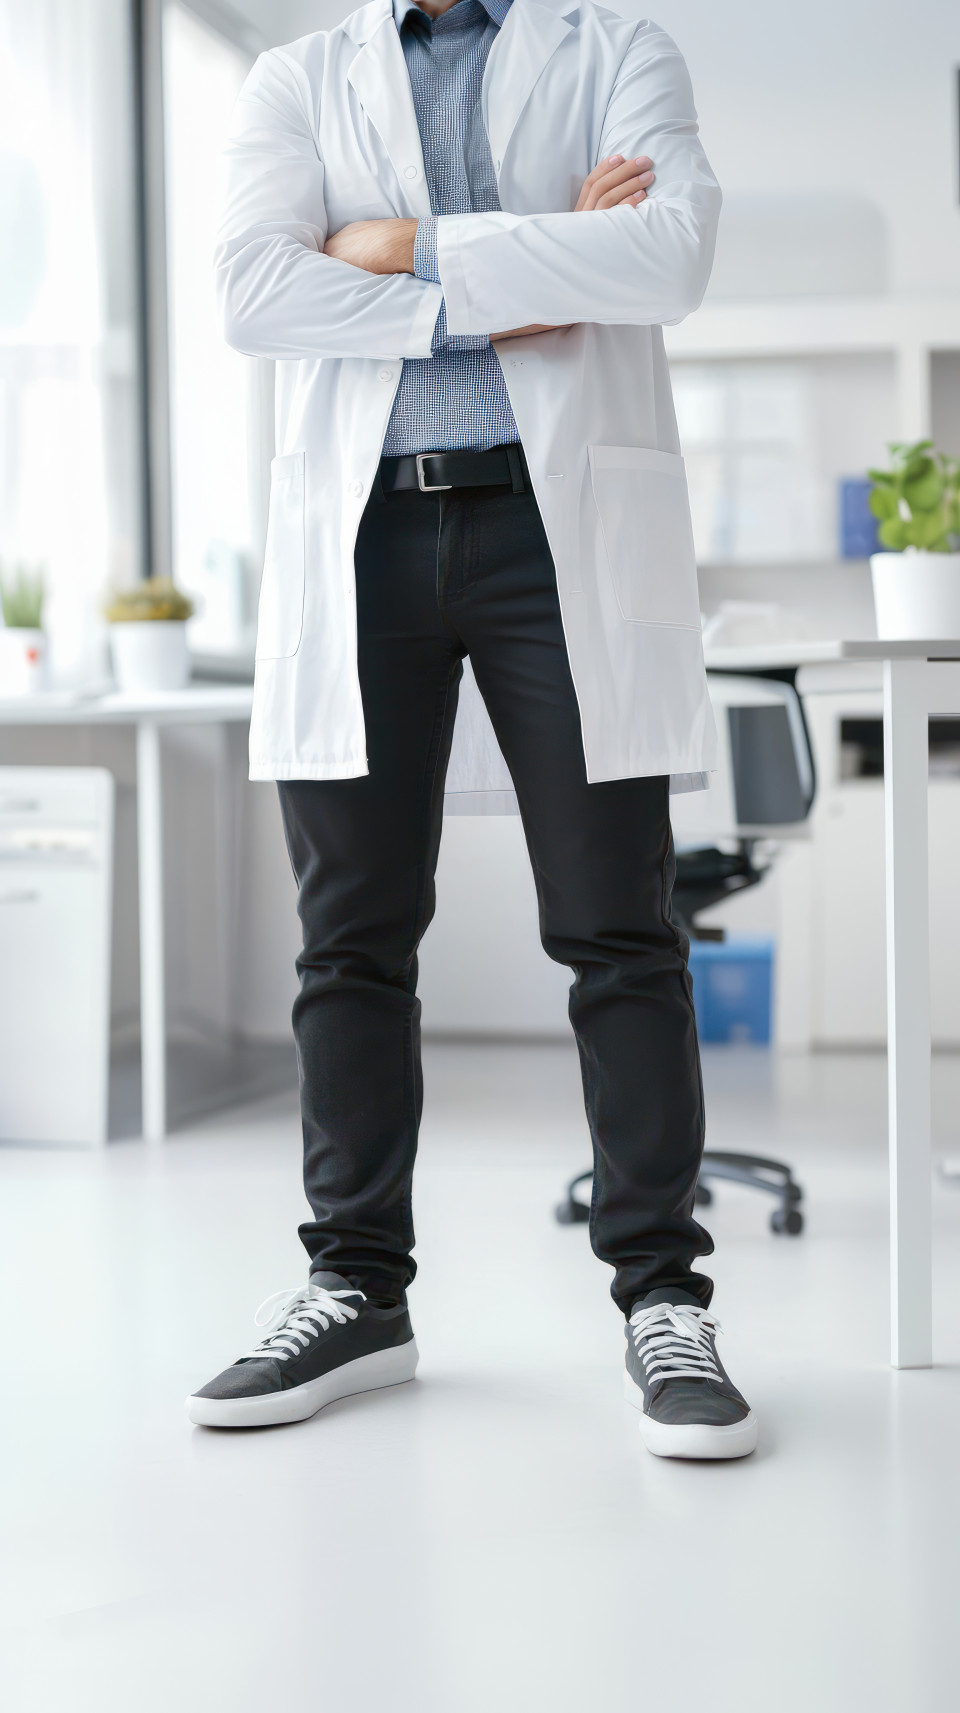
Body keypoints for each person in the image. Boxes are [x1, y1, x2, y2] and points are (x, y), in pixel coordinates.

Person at [186, 0, 757, 1460]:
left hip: (553, 529)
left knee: (617, 925)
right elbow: (253, 291)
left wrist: (396, 245)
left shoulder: (619, 51)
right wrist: (509, 271)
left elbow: (668, 257)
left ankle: (661, 1297)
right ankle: (355, 1286)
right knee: (351, 933)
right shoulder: (297, 78)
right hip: (364, 529)